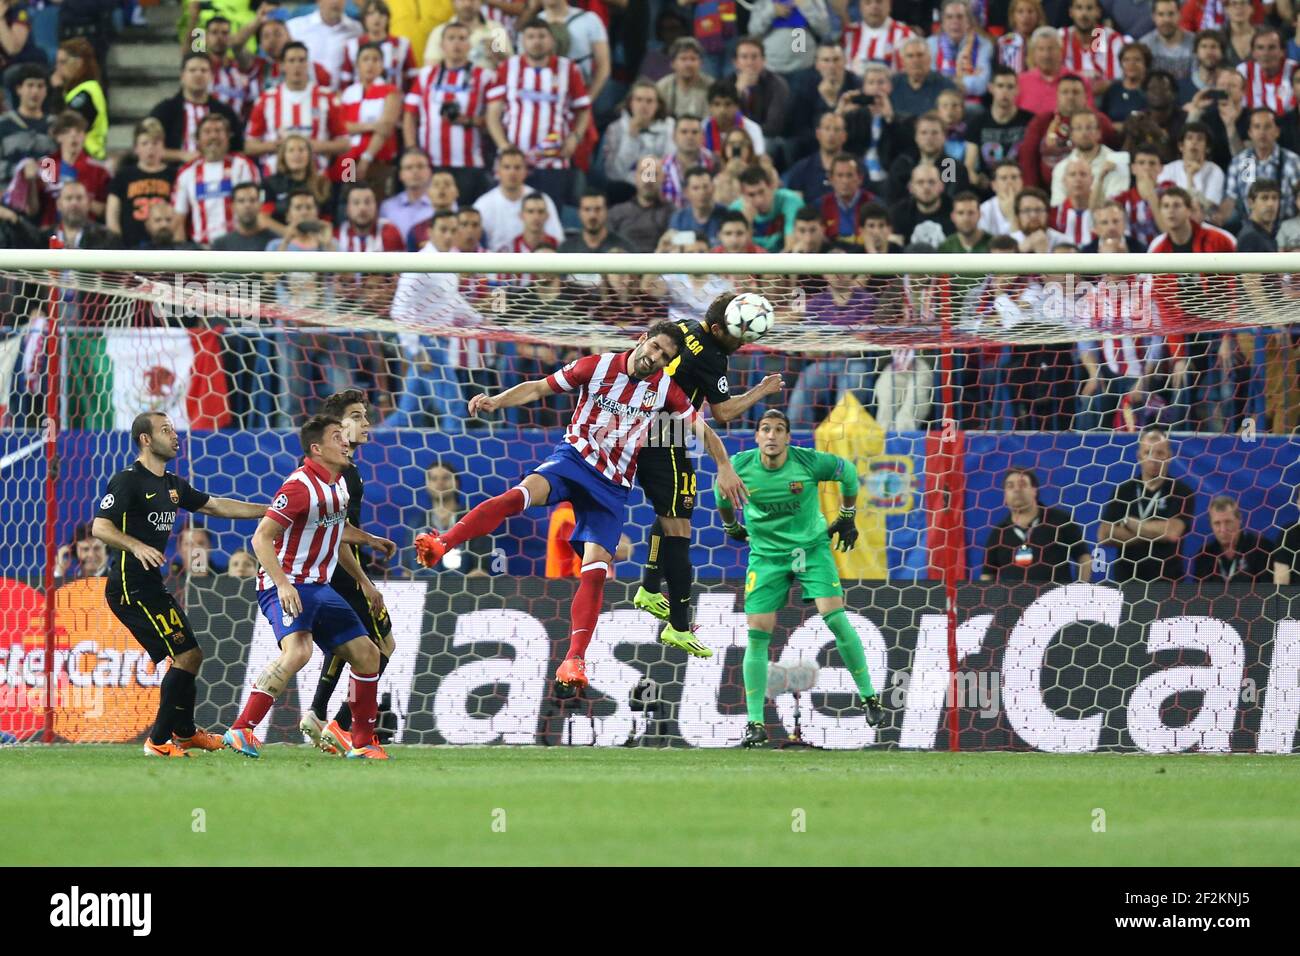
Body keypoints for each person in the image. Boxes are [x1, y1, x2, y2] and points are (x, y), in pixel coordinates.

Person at [414, 322, 748, 690]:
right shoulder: (596, 366)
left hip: (613, 487)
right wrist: (498, 400)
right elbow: (540, 387)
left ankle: (573, 660)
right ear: (641, 340)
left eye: (665, 356)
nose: (655, 358)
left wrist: (725, 466)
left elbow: (706, 430)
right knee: (517, 496)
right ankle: (442, 542)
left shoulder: (666, 390)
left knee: (596, 570)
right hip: (574, 460)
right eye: (654, 347)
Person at [92, 412, 266, 758]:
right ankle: (158, 741)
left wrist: (269, 510)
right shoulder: (128, 481)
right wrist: (136, 545)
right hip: (129, 586)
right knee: (185, 655)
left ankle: (185, 733)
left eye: (174, 429)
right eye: (165, 430)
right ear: (145, 439)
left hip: (149, 584)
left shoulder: (172, 485)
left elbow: (215, 505)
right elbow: (100, 527)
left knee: (190, 655)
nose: (175, 436)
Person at [716, 409, 884, 748]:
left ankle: (869, 698)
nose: (772, 435)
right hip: (767, 557)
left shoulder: (807, 462)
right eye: (766, 429)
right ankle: (755, 724)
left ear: (789, 438)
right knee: (758, 631)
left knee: (834, 616)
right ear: (757, 436)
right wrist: (731, 525)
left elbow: (849, 473)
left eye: (780, 430)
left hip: (811, 549)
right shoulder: (740, 466)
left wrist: (848, 515)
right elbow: (721, 494)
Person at [225, 414, 389, 760]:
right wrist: (283, 585)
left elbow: (335, 532)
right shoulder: (298, 487)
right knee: (299, 652)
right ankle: (242, 729)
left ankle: (361, 743)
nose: (345, 441)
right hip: (284, 585)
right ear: (317, 448)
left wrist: (369, 546)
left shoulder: (339, 485)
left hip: (319, 587)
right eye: (336, 437)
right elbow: (261, 538)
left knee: (368, 654)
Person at [631, 293, 784, 654]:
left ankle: (650, 588)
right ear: (717, 328)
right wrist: (761, 390)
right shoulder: (712, 355)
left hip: (647, 427)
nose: (742, 342)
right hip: (662, 435)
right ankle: (679, 626)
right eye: (737, 335)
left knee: (670, 513)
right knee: (679, 526)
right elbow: (724, 413)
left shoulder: (682, 328)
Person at [302, 391, 400, 756]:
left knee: (350, 642)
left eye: (365, 416)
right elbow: (336, 532)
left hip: (326, 571)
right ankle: (344, 725)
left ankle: (317, 712)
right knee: (380, 646)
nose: (366, 424)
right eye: (357, 417)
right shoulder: (342, 475)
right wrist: (364, 581)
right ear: (336, 427)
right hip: (342, 571)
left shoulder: (335, 470)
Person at [485, 17, 591, 211]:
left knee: (549, 213)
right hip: (515, 162)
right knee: (512, 214)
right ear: (522, 41)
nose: (536, 41)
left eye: (542, 36)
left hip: (553, 161)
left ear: (551, 40)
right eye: (531, 36)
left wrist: (574, 138)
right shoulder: (508, 68)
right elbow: (492, 115)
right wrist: (504, 147)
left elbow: (583, 110)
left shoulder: (568, 69)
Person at [404, 21, 495, 205]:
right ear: (442, 45)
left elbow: (495, 120)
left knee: (465, 215)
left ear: (469, 45)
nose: (456, 44)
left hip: (469, 162)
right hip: (431, 161)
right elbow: (409, 115)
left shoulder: (485, 77)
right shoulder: (425, 75)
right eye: (451, 38)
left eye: (462, 39)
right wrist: (412, 149)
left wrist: (468, 120)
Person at [1098, 425, 1197, 583]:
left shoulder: (1182, 492)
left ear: (1169, 456)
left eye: (1160, 453)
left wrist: (1130, 523)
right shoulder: (1124, 491)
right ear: (1139, 456)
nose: (1153, 459)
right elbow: (1104, 535)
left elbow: (1171, 532)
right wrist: (1154, 533)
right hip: (1127, 580)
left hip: (1167, 583)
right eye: (1147, 452)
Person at [981, 467, 1091, 583]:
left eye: (1022, 484)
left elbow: (1084, 557)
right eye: (1010, 486)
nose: (1017, 489)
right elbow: (987, 576)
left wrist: (1080, 590)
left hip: (1055, 598)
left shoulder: (1060, 520)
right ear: (1005, 495)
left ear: (1035, 490)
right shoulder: (999, 533)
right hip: (1013, 600)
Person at [171, 112, 260, 247]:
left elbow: (257, 210)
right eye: (207, 132)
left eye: (218, 131)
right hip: (201, 250)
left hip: (238, 247)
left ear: (228, 136)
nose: (213, 136)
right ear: (198, 139)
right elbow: (179, 219)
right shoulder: (186, 172)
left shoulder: (243, 166)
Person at [149, 53, 246, 167]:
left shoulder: (225, 112)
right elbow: (148, 148)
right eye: (192, 70)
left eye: (203, 70)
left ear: (211, 76)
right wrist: (181, 155)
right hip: (174, 172)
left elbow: (238, 149)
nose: (198, 74)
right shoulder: (164, 110)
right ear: (182, 76)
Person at [1192, 495, 1277, 581]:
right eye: (1217, 523)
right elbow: (1198, 592)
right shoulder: (1205, 554)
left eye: (1228, 522)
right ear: (1211, 525)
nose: (1223, 529)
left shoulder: (1261, 547)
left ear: (1240, 519)